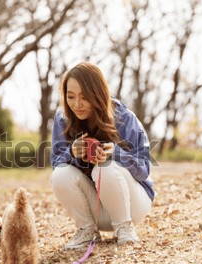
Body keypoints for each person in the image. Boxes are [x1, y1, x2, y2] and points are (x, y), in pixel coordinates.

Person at [50, 62, 155, 249]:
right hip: (96, 208)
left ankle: (125, 228)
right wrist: (72, 153)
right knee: (60, 173)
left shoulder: (124, 117)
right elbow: (56, 164)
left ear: (97, 94)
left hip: (132, 205)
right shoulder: (62, 118)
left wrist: (116, 153)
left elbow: (144, 170)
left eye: (84, 97)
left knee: (104, 168)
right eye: (70, 97)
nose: (76, 104)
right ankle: (87, 231)